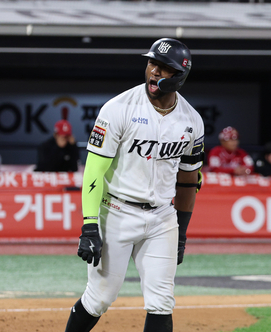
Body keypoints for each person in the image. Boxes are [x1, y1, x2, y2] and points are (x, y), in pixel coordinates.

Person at [64, 38, 204, 332]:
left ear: (179, 75)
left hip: (162, 219)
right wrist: (90, 224)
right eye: (152, 63)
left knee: (162, 301)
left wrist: (182, 230)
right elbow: (93, 171)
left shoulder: (192, 121)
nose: (154, 71)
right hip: (116, 212)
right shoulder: (118, 109)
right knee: (99, 299)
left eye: (164, 68)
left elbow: (189, 180)